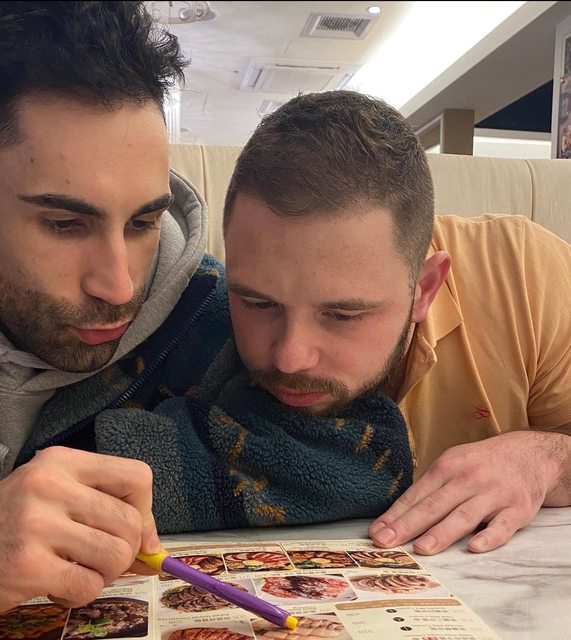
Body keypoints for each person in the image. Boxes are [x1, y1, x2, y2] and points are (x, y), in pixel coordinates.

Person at [0, 2, 411, 613]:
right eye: (64, 224)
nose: (120, 288)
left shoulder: (207, 313)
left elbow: (363, 455)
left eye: (143, 222)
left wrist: (85, 473)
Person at [219, 90, 571, 556]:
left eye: (342, 315)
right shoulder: (192, 315)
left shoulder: (524, 275)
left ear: (424, 289)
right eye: (258, 303)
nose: (290, 357)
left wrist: (545, 459)